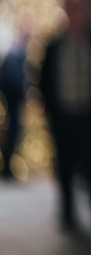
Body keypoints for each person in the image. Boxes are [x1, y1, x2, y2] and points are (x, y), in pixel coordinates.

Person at [38, 0, 91, 232]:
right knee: (64, 165)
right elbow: (43, 79)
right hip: (63, 114)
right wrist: (48, 109)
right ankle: (67, 211)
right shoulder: (54, 44)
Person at [0, 28, 28, 180]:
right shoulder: (15, 56)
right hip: (12, 100)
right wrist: (21, 94)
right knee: (12, 132)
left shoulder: (15, 55)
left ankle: (7, 168)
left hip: (12, 100)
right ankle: (6, 168)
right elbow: (12, 81)